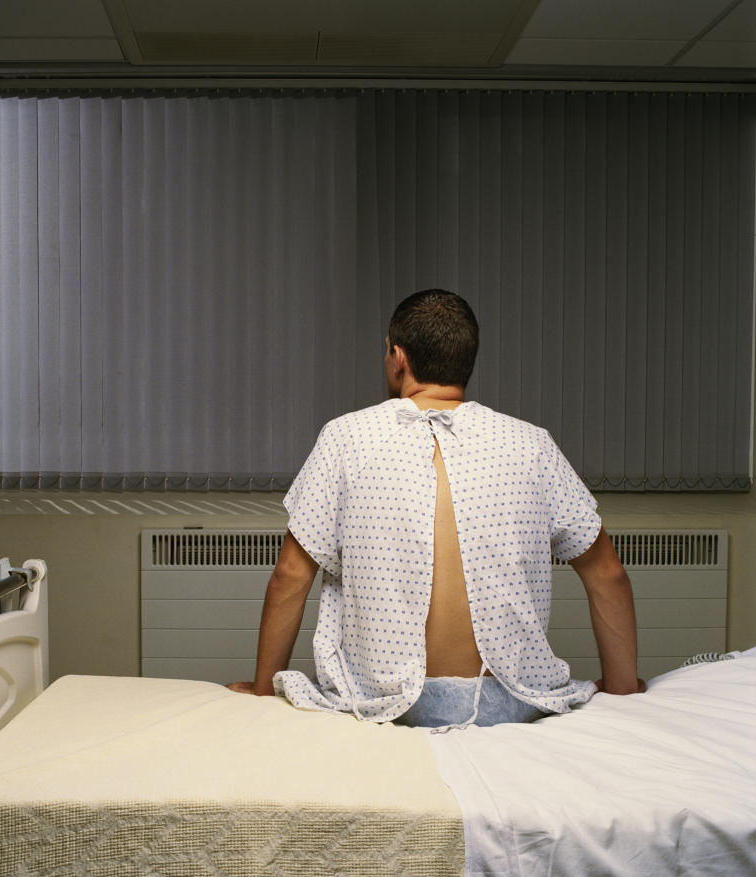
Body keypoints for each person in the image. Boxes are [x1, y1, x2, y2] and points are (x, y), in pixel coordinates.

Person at [227, 289, 643, 730]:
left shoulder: (346, 438)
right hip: (508, 703)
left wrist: (260, 691)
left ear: (398, 357)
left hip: (390, 705)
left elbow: (291, 576)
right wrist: (623, 691)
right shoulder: (530, 444)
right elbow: (608, 574)